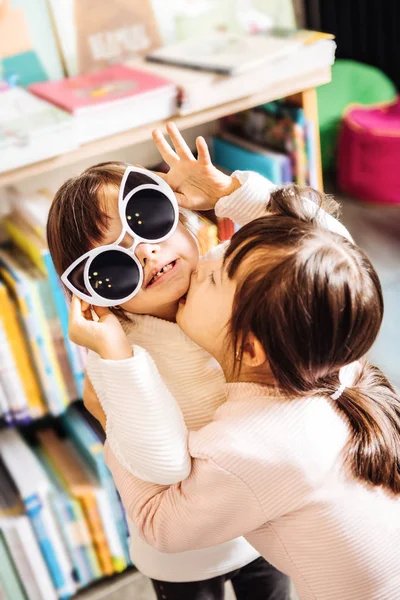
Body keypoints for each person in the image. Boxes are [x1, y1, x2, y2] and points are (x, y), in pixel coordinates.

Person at [79, 185, 400, 599]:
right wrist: (229, 192)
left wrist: (110, 408)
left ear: (249, 347)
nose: (207, 260)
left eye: (214, 277)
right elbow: (335, 254)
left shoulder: (251, 444)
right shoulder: (334, 355)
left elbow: (159, 521)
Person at [48, 123, 316, 600]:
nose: (147, 252)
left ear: (184, 216)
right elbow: (164, 468)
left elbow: (321, 250)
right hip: (182, 552)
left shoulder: (230, 273)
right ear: (91, 296)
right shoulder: (115, 353)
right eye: (110, 264)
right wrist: (115, 355)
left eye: (146, 219)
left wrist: (231, 192)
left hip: (263, 520)